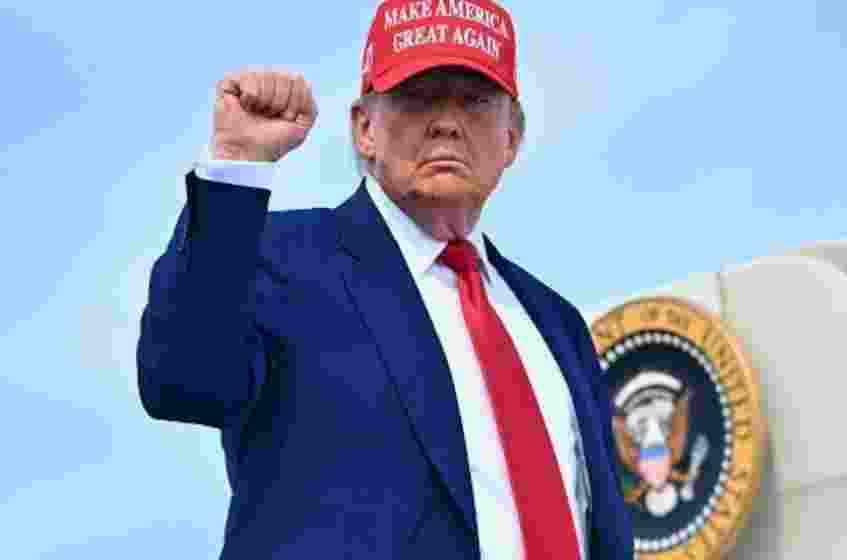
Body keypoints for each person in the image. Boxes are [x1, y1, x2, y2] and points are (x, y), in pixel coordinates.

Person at [136, 0, 632, 558]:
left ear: (511, 138)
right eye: (419, 97)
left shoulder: (557, 324)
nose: (447, 121)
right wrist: (238, 162)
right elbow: (183, 381)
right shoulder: (279, 260)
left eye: (474, 100)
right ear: (364, 128)